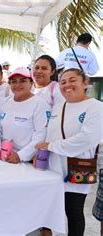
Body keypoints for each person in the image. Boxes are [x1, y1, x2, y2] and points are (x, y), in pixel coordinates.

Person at [36, 68, 102, 236]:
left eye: (72, 80)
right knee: (50, 211)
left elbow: (87, 139)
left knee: (73, 212)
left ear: (85, 83)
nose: (67, 85)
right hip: (54, 168)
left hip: (79, 167)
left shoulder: (96, 107)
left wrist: (51, 146)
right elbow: (49, 133)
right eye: (63, 82)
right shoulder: (58, 106)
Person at [0, 67, 50, 163]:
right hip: (4, 156)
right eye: (14, 82)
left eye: (22, 81)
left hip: (27, 160)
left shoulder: (40, 104)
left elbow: (41, 135)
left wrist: (20, 155)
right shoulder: (4, 102)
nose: (17, 85)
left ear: (31, 83)